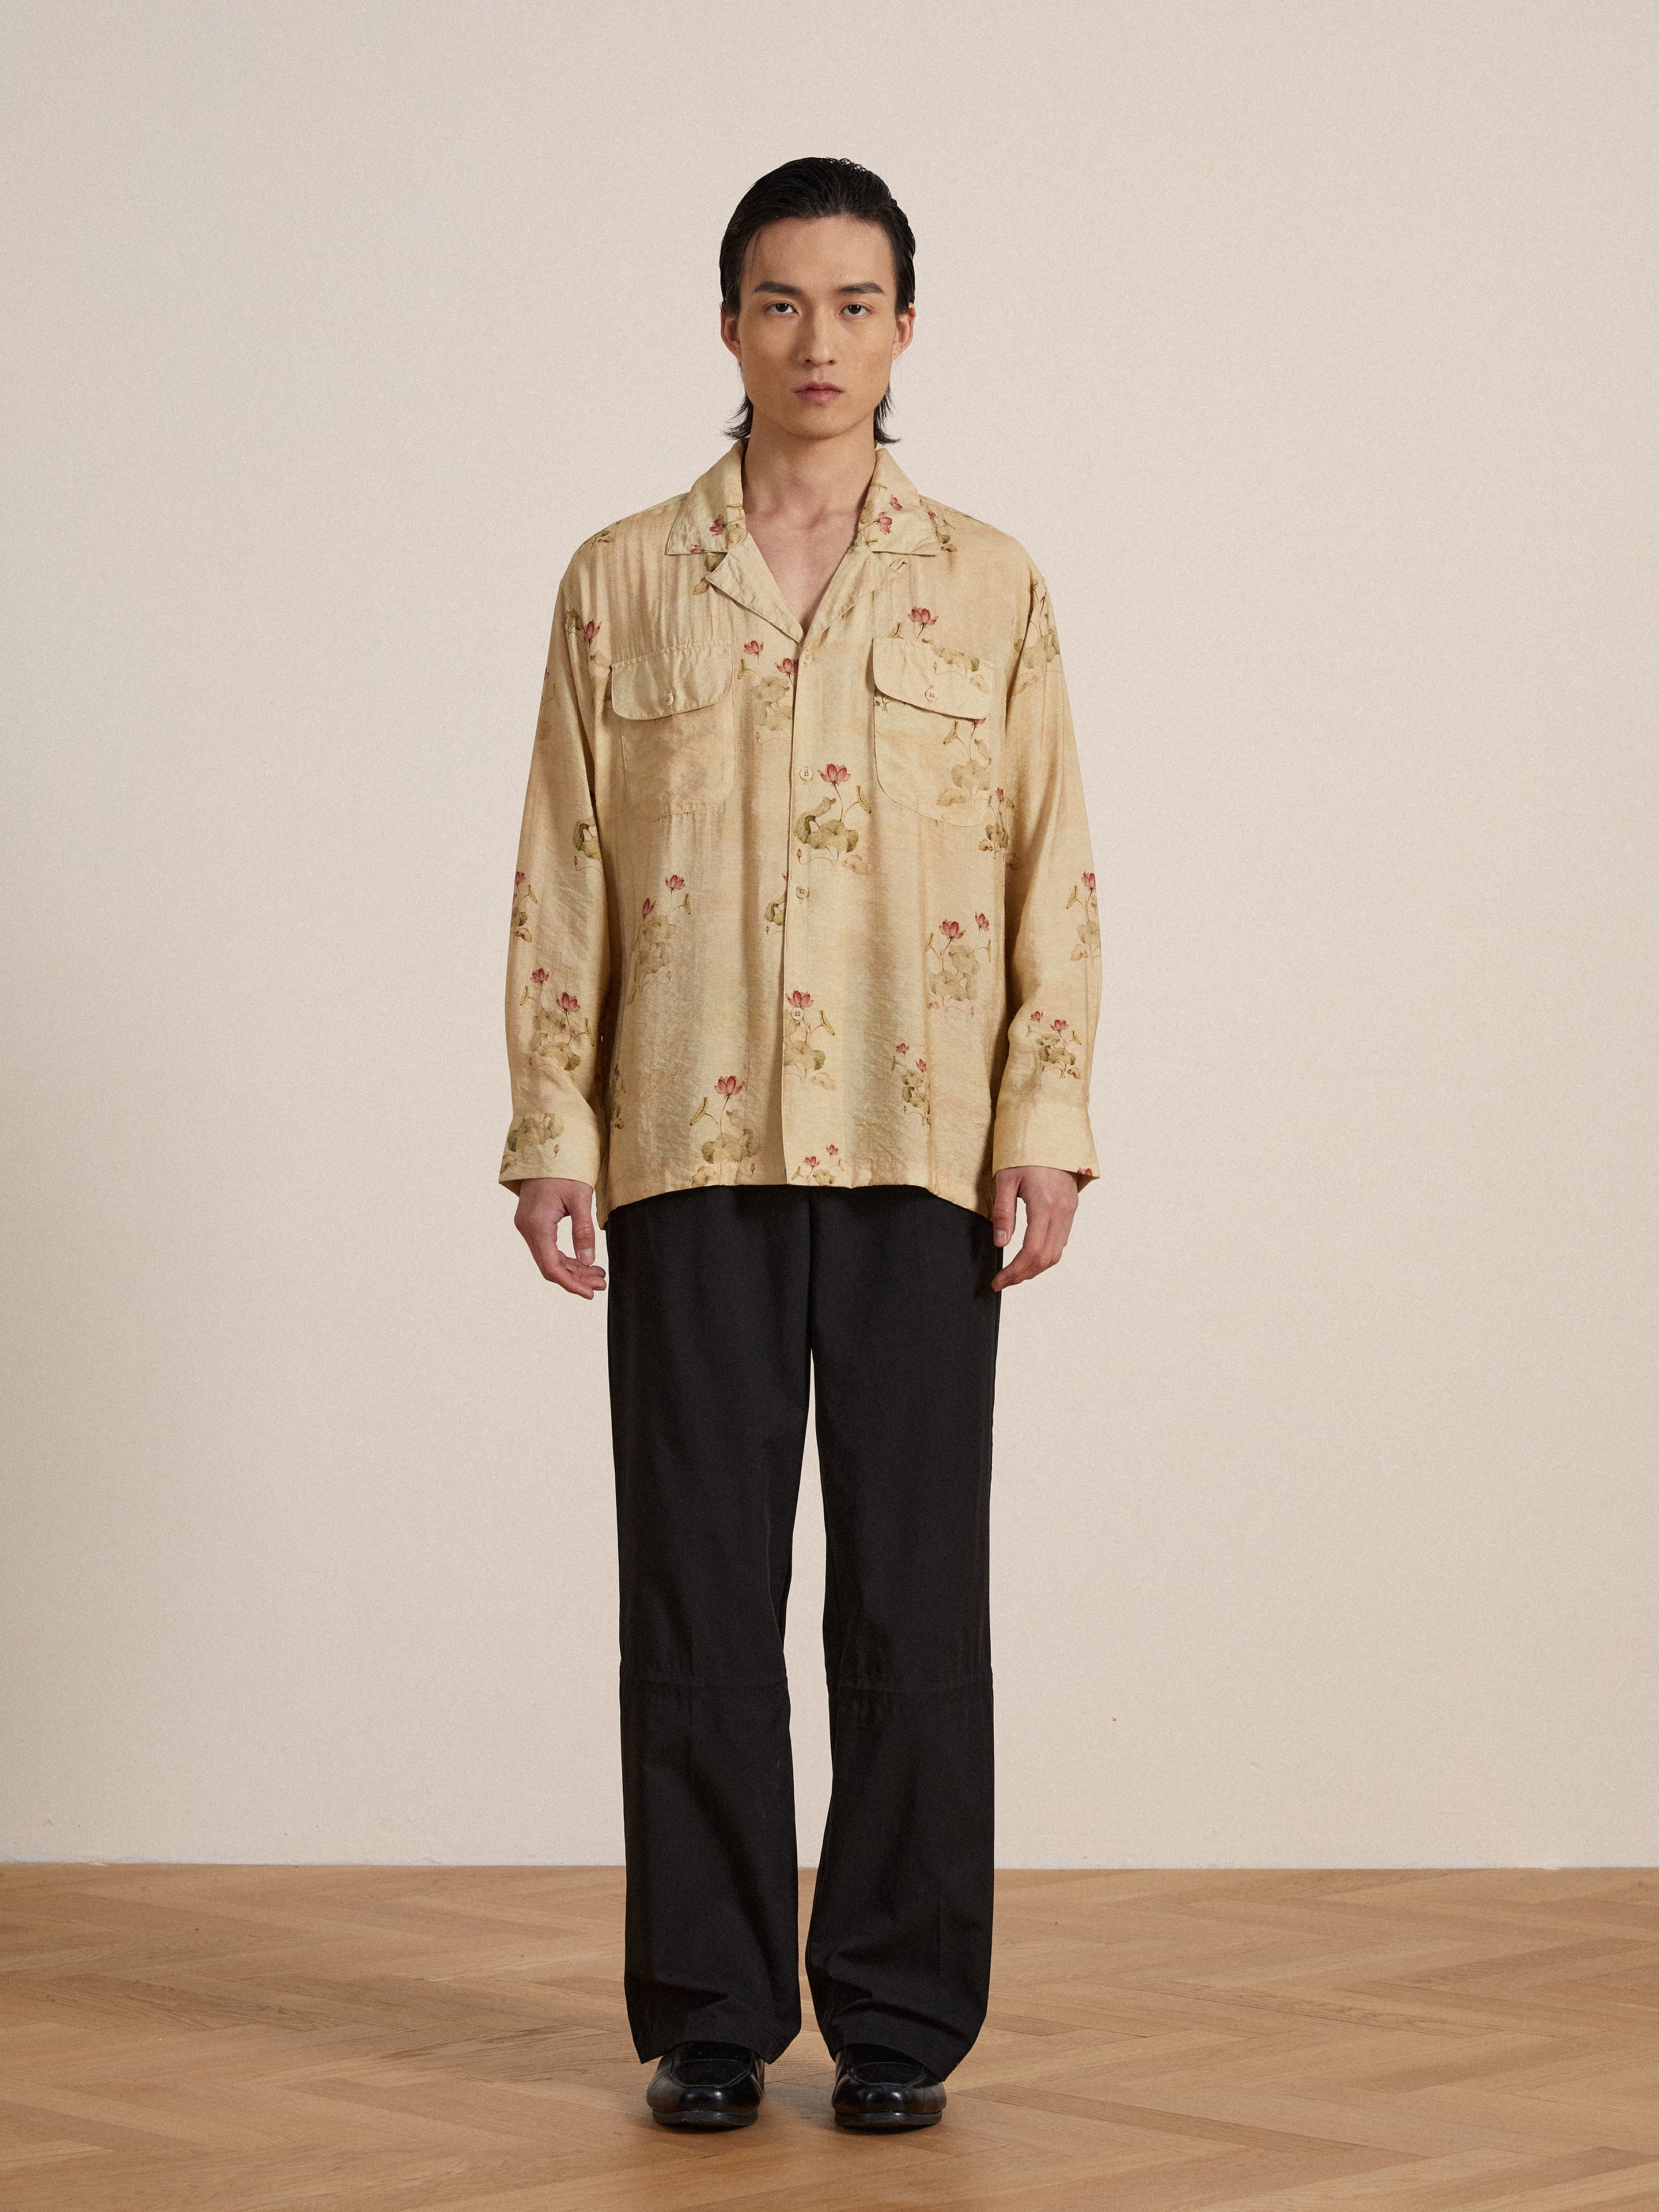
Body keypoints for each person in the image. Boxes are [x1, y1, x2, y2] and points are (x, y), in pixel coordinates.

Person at [499, 156, 1102, 2134]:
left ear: (905, 329)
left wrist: (1048, 1116)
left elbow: (1051, 873)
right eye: (780, 302)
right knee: (694, 1591)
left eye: (855, 305)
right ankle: (709, 2010)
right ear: (731, 322)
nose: (817, 341)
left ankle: (906, 2020)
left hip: (924, 1151)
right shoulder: (619, 582)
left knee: (915, 1597)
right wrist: (549, 1125)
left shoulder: (991, 585)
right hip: (688, 1141)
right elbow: (560, 874)